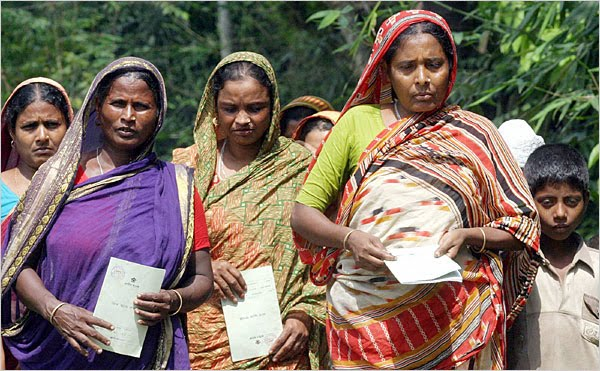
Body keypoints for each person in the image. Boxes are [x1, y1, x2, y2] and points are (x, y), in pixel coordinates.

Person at [291, 10, 541, 369]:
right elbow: (303, 213)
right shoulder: (357, 123)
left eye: (433, 65)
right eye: (407, 68)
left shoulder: (476, 134)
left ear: (450, 67)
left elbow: (524, 224)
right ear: (387, 72)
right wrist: (350, 239)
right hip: (366, 318)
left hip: (453, 320)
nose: (422, 79)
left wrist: (469, 235)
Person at [1, 57, 214, 369]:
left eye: (141, 106)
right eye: (117, 103)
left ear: (158, 116)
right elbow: (16, 261)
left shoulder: (177, 189)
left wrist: (175, 300)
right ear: (98, 109)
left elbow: (203, 278)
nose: (128, 116)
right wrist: (55, 310)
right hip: (56, 351)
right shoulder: (59, 178)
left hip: (138, 357)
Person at [172, 51, 327, 369]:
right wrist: (202, 266)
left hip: (281, 338)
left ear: (273, 108)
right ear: (213, 109)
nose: (242, 120)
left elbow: (327, 252)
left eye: (256, 108)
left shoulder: (301, 165)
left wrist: (304, 314)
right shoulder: (187, 167)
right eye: (230, 109)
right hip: (202, 340)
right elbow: (157, 244)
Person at [0, 77, 73, 370]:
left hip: (73, 332)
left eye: (52, 125)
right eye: (30, 127)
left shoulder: (85, 189)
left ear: (70, 130)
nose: (42, 136)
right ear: (12, 135)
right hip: (8, 336)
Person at [507, 144, 599, 370]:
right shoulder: (511, 269)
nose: (560, 213)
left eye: (571, 201)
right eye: (547, 202)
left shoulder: (597, 269)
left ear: (585, 200)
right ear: (529, 200)